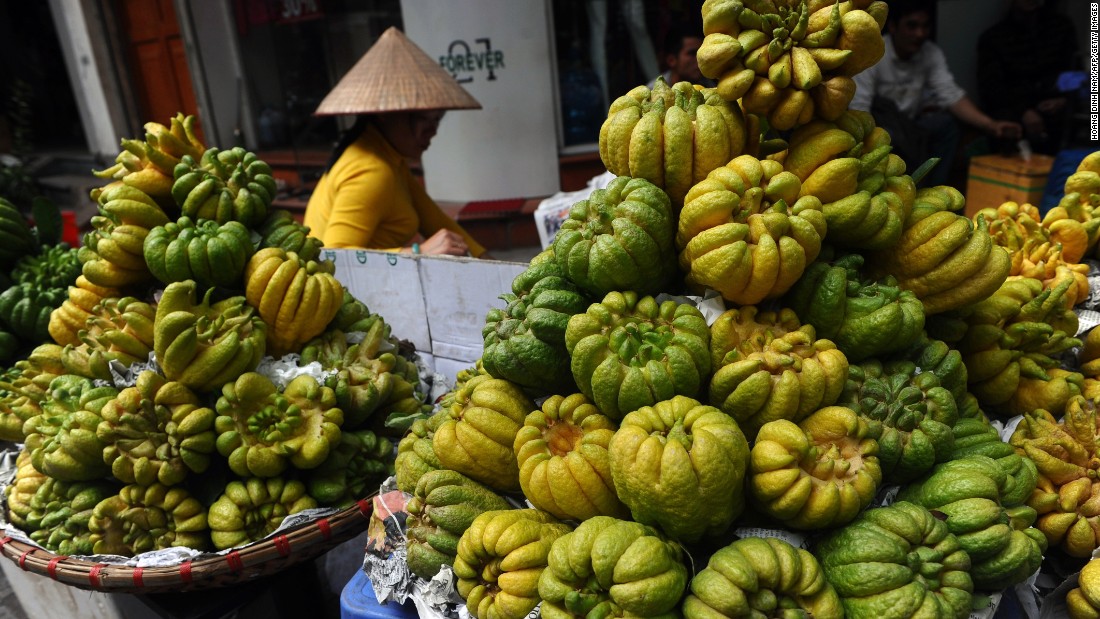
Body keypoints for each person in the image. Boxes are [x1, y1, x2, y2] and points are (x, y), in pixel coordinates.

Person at [305, 27, 490, 258]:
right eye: (424, 119)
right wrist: (418, 252)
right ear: (386, 114)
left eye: (438, 119)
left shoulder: (388, 159)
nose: (433, 131)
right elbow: (336, 256)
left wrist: (489, 262)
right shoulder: (371, 171)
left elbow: (435, 219)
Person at [850, 0, 1021, 186]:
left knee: (946, 125)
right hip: (883, 127)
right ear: (893, 26)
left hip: (912, 126)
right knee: (886, 137)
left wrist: (991, 125)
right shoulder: (875, 53)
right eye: (912, 26)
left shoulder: (929, 53)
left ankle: (935, 189)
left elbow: (951, 95)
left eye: (925, 26)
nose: (920, 34)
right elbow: (861, 108)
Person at [977, 0, 1078, 155]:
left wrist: (1063, 100)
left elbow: (1075, 72)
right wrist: (1023, 111)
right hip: (1013, 108)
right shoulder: (993, 38)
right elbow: (991, 87)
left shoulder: (1062, 28)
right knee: (1005, 125)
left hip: (1057, 106)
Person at [648, 22, 716, 89]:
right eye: (692, 53)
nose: (701, 58)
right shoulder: (652, 92)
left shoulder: (711, 87)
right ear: (671, 60)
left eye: (701, 52)